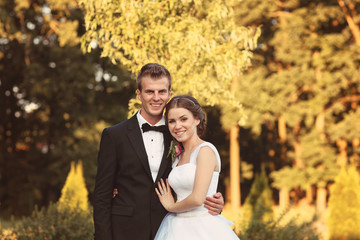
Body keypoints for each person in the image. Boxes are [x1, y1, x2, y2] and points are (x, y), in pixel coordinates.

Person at [93, 63, 224, 240]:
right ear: (139, 94)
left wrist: (214, 201)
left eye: (162, 92)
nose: (156, 98)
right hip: (125, 230)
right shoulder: (114, 135)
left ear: (169, 94)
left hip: (171, 228)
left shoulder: (180, 136)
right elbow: (102, 195)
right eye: (149, 92)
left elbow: (195, 179)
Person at [154, 95, 239, 240]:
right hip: (176, 228)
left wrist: (171, 207)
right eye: (171, 121)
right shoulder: (177, 156)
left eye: (183, 119)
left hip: (203, 227)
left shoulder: (205, 151)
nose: (177, 126)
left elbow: (198, 198)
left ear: (197, 119)